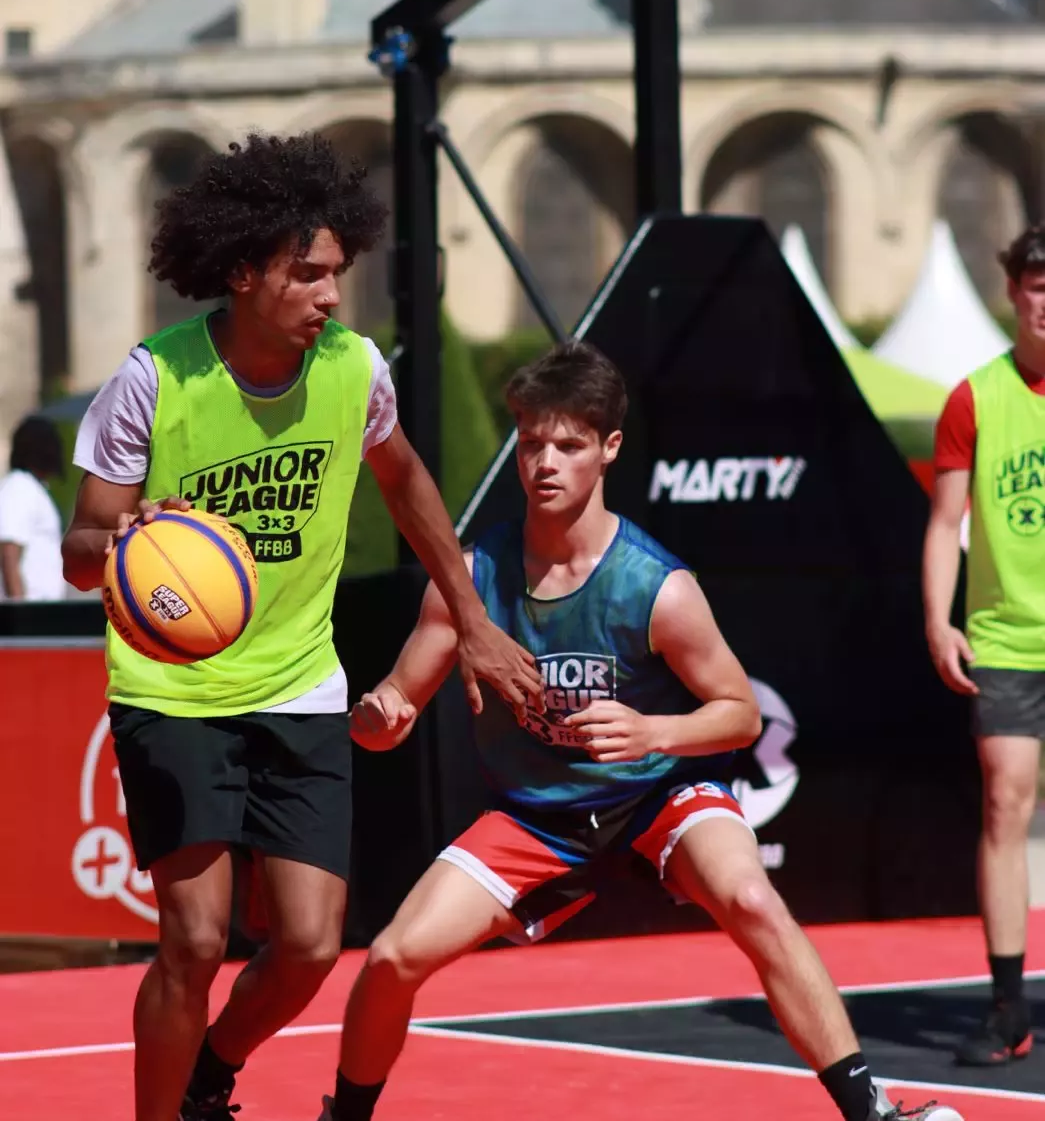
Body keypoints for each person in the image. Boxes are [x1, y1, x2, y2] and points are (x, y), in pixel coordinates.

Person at [325, 341, 957, 1121]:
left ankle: (873, 1111)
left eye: (568, 445)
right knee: (391, 956)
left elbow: (741, 711)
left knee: (752, 900)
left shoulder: (656, 586)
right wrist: (378, 716)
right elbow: (395, 706)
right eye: (529, 444)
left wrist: (651, 730)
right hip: (539, 813)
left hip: (658, 792)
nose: (544, 463)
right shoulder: (472, 574)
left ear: (608, 448)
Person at [61, 132, 542, 1121]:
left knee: (314, 944)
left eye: (337, 273)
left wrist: (474, 619)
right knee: (193, 941)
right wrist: (125, 540)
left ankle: (208, 1072)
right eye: (307, 273)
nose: (330, 294)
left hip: (298, 686)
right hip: (174, 691)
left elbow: (410, 490)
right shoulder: (154, 379)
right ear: (244, 273)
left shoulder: (353, 369)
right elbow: (78, 545)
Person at [924, 223, 1045, 1066]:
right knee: (1005, 801)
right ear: (1012, 292)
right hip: (1005, 635)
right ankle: (1008, 1007)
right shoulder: (974, 396)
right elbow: (943, 523)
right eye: (1036, 284)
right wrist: (938, 617)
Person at [0, 414, 66, 601]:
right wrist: (20, 616)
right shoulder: (19, 487)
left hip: (40, 616)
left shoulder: (32, 488)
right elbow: (9, 551)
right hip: (29, 617)